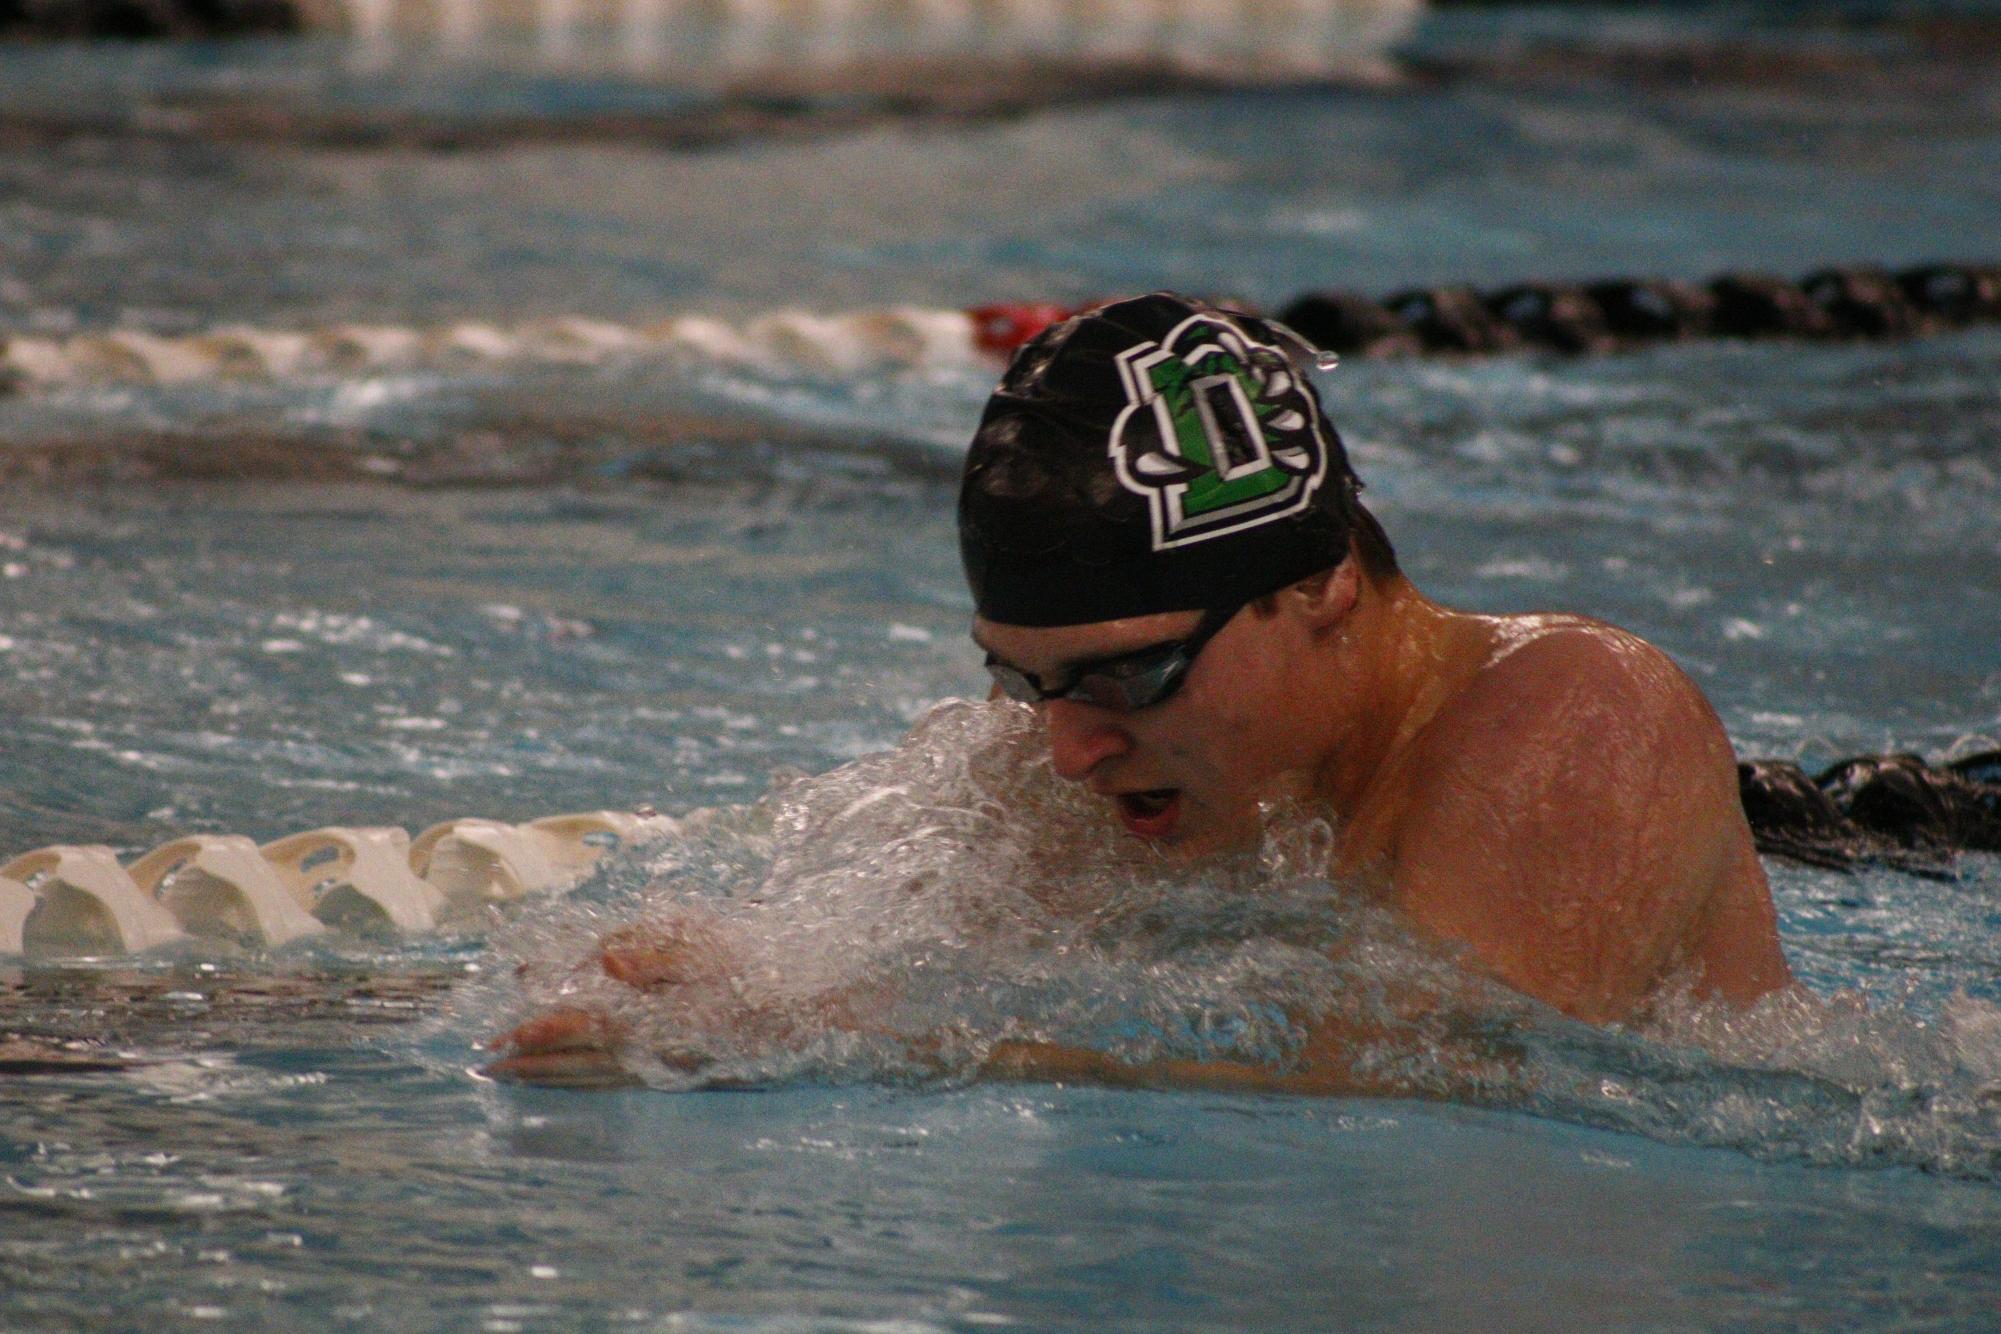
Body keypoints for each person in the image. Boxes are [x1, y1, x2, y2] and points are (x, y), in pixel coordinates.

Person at [488, 292, 1792, 1090]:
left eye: (1129, 672)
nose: (1065, 748)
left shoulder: (1575, 713)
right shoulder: (1104, 761)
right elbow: (882, 961)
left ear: (1323, 579)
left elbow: (1432, 1079)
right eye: (1023, 679)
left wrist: (837, 1040)